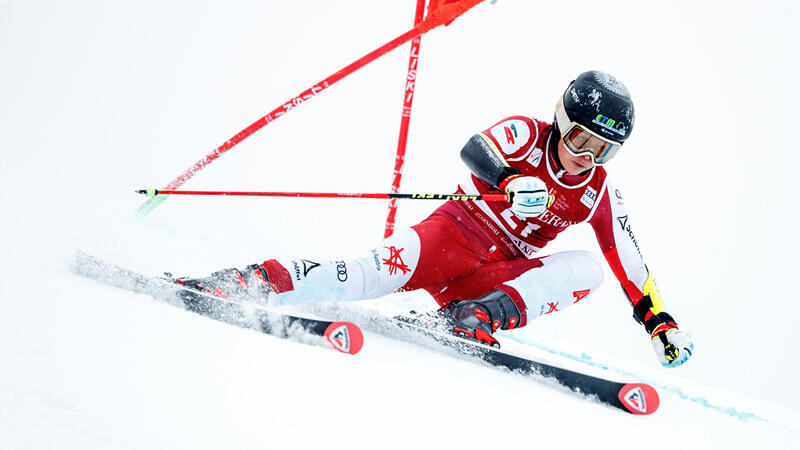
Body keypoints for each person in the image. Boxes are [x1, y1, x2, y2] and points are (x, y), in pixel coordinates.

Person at [178, 70, 693, 368]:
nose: (588, 156)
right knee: (363, 277)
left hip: (493, 279)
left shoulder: (599, 190)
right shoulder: (529, 134)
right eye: (583, 139)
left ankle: (474, 318)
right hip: (452, 236)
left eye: (605, 150)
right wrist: (510, 182)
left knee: (590, 268)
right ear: (562, 122)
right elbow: (477, 148)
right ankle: (251, 280)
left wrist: (659, 324)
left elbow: (629, 262)